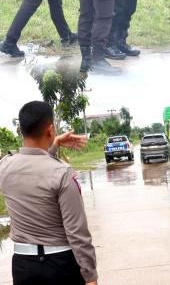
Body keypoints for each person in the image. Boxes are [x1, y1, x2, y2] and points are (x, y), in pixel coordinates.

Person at [0, 100, 97, 285]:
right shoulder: (62, 173)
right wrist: (90, 275)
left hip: (23, 266)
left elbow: (32, 162)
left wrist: (54, 143)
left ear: (21, 130)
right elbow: (76, 232)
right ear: (51, 129)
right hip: (61, 266)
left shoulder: (4, 166)